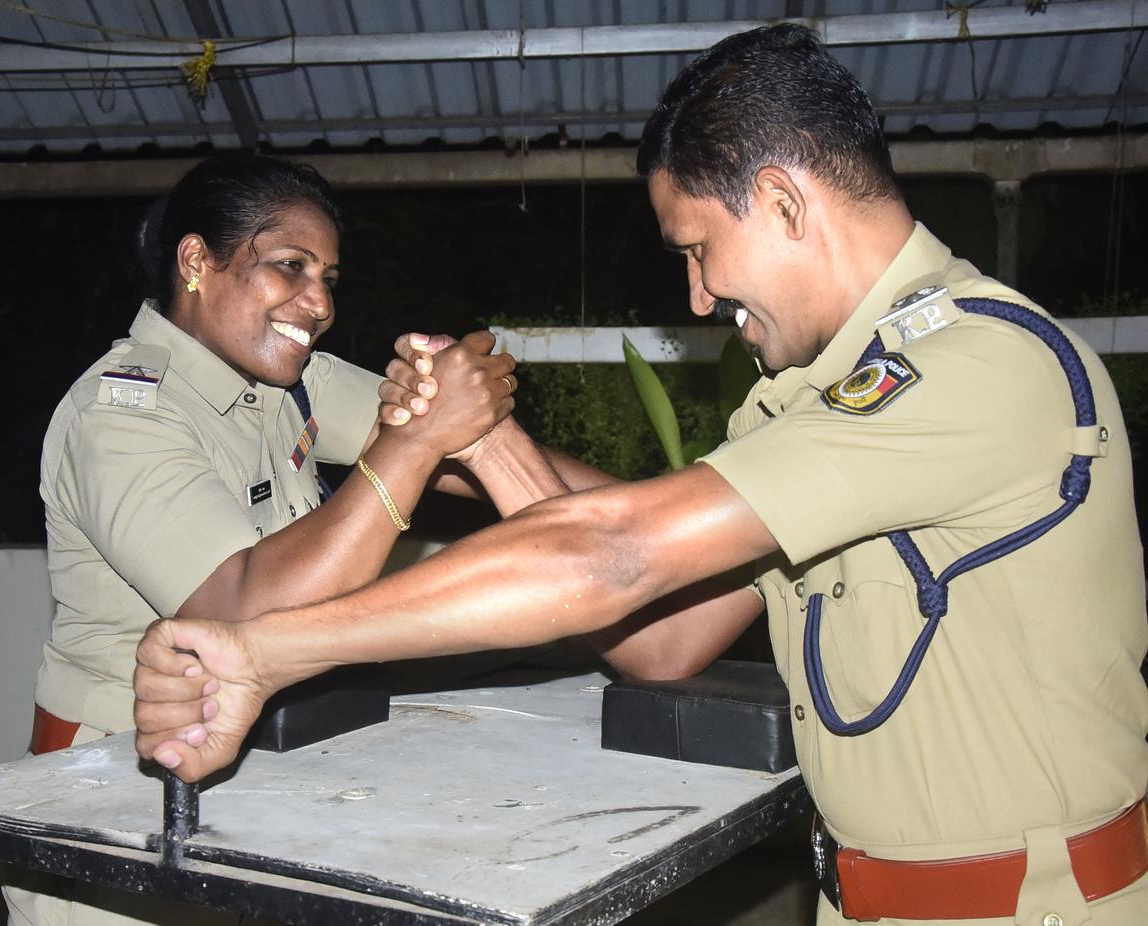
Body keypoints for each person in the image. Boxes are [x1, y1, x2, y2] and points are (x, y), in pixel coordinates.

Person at [132, 26, 1148, 926]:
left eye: (700, 249)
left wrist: (264, 652)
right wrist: (482, 440)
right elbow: (664, 637)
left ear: (787, 203)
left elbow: (610, 557)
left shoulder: (975, 364)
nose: (700, 296)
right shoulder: (797, 400)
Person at [9, 153, 566, 926]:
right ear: (197, 261)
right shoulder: (122, 413)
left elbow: (461, 445)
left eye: (328, 279)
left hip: (256, 774)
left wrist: (672, 515)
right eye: (289, 268)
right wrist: (413, 443)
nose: (319, 303)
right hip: (112, 802)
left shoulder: (292, 381)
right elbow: (235, 613)